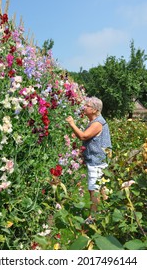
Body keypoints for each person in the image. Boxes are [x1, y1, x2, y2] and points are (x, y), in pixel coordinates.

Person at [66, 96, 112, 224]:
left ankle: (93, 218)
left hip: (97, 161)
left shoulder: (97, 123)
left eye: (87, 106)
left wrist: (72, 123)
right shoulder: (94, 121)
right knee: (101, 187)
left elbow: (84, 136)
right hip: (98, 160)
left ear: (94, 110)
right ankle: (106, 212)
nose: (84, 107)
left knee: (94, 189)